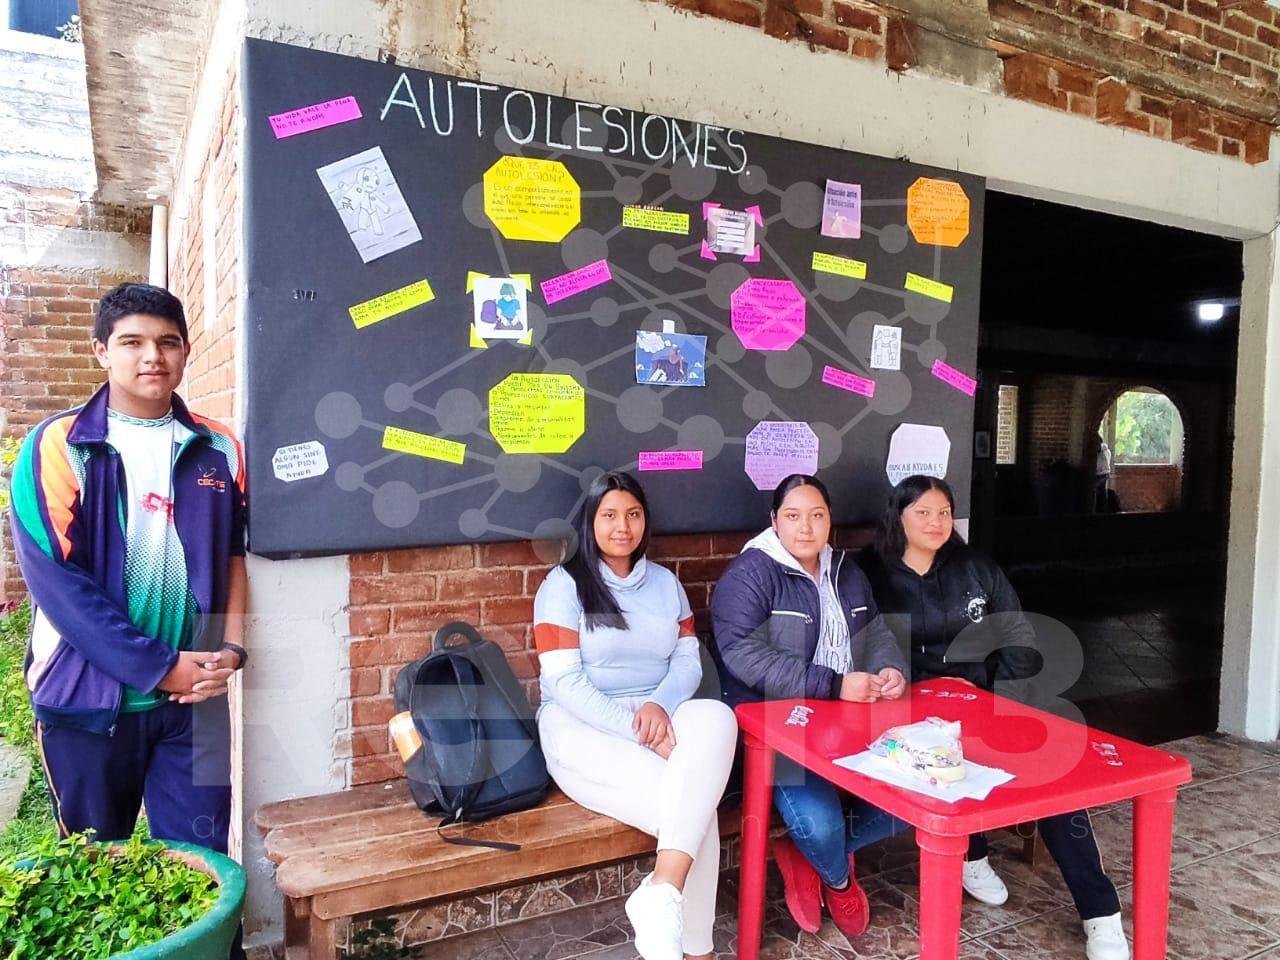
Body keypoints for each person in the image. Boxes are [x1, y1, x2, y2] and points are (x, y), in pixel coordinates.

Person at [10, 283, 248, 959]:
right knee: (94, 873)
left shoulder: (219, 449)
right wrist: (159, 666)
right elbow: (58, 586)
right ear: (101, 353)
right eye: (133, 342)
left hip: (194, 707)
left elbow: (232, 559)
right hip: (87, 703)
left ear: (185, 353)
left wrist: (227, 647)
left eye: (168, 342)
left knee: (206, 869)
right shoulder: (58, 446)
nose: (153, 357)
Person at [860, 474, 1128, 960]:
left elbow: (1018, 639)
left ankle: (1101, 912)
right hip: (914, 710)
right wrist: (926, 695)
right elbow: (876, 651)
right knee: (951, 756)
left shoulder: (975, 568)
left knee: (1052, 782)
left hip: (991, 700)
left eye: (943, 512)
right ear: (898, 517)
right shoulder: (872, 575)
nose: (935, 522)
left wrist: (1005, 702)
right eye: (922, 512)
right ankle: (973, 854)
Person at [533, 471, 737, 960]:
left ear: (645, 521)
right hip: (579, 726)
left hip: (657, 710)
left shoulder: (665, 585)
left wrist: (659, 708)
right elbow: (565, 682)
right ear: (590, 522)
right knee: (693, 812)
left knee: (717, 718)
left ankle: (661, 893)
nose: (622, 526)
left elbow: (688, 660)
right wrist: (638, 729)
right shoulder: (563, 586)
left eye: (633, 514)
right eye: (609, 515)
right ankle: (697, 952)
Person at [710, 474, 909, 939]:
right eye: (793, 516)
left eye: (817, 515)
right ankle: (838, 878)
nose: (806, 527)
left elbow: (875, 631)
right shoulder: (752, 574)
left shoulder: (845, 570)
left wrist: (889, 667)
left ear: (829, 520)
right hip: (781, 729)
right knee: (817, 821)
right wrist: (833, 683)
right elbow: (742, 654)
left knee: (914, 796)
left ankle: (806, 855)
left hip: (851, 720)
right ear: (773, 521)